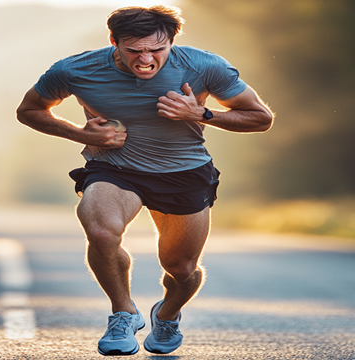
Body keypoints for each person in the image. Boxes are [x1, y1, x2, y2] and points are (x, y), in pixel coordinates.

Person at [16, 5, 273, 356]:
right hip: (115, 167)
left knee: (181, 269)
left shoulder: (204, 66)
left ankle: (166, 315)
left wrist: (201, 113)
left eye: (157, 50)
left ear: (171, 41)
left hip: (184, 172)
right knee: (102, 232)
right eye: (134, 50)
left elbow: (260, 118)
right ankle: (123, 314)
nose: (146, 60)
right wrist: (80, 133)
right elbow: (29, 110)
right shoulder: (75, 70)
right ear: (114, 42)